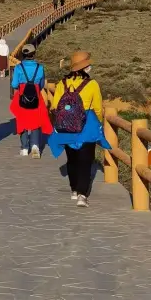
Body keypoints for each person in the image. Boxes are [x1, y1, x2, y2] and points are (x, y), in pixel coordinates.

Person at [48, 50, 110, 207]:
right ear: (85, 67)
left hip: (66, 127)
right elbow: (97, 108)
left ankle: (74, 189)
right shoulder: (92, 84)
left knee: (72, 159)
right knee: (85, 160)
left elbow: (55, 106)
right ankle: (82, 194)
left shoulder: (62, 83)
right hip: (86, 126)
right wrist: (99, 124)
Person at [10, 44, 52, 158]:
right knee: (36, 121)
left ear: (23, 54)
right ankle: (35, 147)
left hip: (22, 96)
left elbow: (14, 84)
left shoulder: (18, 68)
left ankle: (24, 148)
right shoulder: (40, 67)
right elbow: (42, 84)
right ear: (34, 54)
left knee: (22, 121)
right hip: (36, 95)